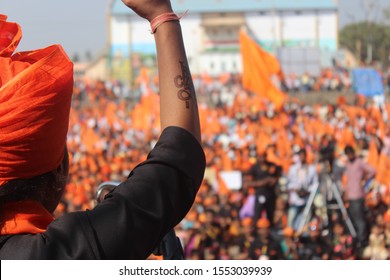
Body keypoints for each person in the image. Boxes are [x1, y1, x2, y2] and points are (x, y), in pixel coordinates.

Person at [0, 0, 205, 259]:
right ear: (59, 172)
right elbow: (180, 157)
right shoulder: (60, 254)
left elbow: (178, 159)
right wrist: (161, 15)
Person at [343, 145, 376, 251]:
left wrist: (365, 179)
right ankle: (357, 239)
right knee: (353, 219)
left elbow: (372, 170)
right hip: (350, 196)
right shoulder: (348, 164)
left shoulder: (359, 162)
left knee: (360, 220)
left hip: (358, 195)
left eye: (350, 153)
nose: (350, 155)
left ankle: (362, 241)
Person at [243, 152, 281, 227]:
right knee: (258, 213)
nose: (262, 158)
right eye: (260, 156)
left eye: (263, 156)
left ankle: (270, 230)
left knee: (270, 213)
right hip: (260, 193)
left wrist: (274, 180)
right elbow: (248, 183)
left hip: (270, 194)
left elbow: (277, 176)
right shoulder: (254, 168)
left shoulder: (271, 165)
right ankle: (256, 229)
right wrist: (263, 182)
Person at [286, 148, 319, 230]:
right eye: (300, 155)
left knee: (305, 220)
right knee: (291, 218)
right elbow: (289, 183)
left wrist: (308, 191)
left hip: (307, 199)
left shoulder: (311, 168)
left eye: (303, 155)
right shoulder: (293, 169)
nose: (302, 157)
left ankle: (303, 236)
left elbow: (315, 183)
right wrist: (295, 190)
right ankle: (290, 234)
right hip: (295, 198)